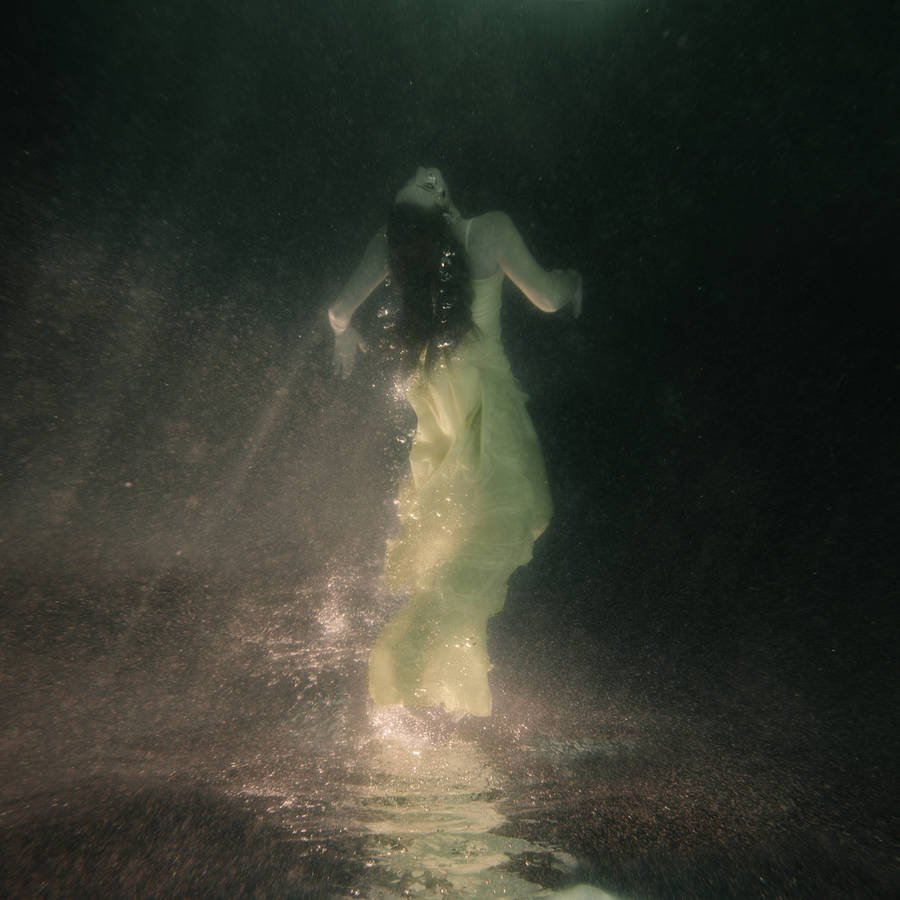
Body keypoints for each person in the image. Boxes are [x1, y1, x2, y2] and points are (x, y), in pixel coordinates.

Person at [328, 167, 581, 717]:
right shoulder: (488, 231)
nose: (427, 171)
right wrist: (573, 282)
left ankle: (426, 645)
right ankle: (413, 648)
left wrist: (344, 338)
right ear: (444, 203)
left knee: (459, 516)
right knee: (514, 514)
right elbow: (547, 298)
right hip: (481, 396)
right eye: (425, 181)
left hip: (434, 395)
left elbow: (339, 311)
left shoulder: (391, 240)